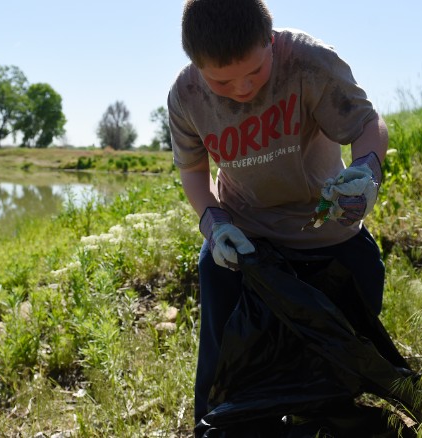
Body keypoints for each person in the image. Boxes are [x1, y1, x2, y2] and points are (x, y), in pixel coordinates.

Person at [167, 0, 389, 428]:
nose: (243, 88)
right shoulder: (186, 95)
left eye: (254, 71)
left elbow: (367, 123)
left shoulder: (309, 62)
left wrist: (367, 171)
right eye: (222, 80)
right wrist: (214, 224)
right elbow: (193, 172)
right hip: (245, 242)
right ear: (196, 66)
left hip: (328, 235)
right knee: (225, 366)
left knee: (342, 359)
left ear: (270, 41)